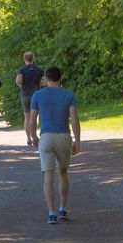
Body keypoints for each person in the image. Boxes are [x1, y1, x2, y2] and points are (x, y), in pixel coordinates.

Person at [28, 66, 81, 224]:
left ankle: (51, 212)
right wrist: (77, 141)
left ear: (46, 78)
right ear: (60, 78)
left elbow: (32, 122)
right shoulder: (69, 95)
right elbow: (74, 120)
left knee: (48, 176)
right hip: (64, 137)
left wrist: (34, 137)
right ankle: (63, 208)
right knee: (63, 174)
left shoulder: (37, 95)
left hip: (46, 137)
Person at [14, 51, 45, 148]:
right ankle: (38, 135)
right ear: (33, 58)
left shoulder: (21, 69)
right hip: (37, 94)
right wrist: (39, 84)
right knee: (38, 115)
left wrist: (20, 85)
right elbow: (44, 82)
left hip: (25, 95)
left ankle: (29, 138)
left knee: (27, 117)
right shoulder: (39, 70)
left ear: (24, 59)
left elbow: (19, 80)